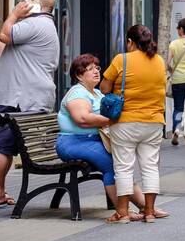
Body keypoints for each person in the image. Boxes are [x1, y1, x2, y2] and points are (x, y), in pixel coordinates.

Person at [0, 0, 60, 207]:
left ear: (38, 6)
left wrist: (14, 14)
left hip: (19, 97)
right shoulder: (45, 25)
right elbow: (25, 58)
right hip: (28, 95)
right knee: (3, 142)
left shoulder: (34, 24)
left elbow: (5, 36)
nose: (24, 1)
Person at [56, 53, 152, 215]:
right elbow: (83, 119)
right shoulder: (77, 93)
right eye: (90, 69)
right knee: (112, 164)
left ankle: (146, 208)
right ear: (79, 75)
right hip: (73, 143)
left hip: (93, 140)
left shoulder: (97, 93)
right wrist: (112, 121)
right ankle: (125, 211)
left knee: (122, 163)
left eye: (97, 68)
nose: (96, 72)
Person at [101, 24, 170, 223]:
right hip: (154, 122)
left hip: (125, 122)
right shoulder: (159, 61)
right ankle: (149, 212)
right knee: (150, 166)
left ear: (130, 42)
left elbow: (104, 87)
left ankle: (122, 213)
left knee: (123, 167)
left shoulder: (121, 59)